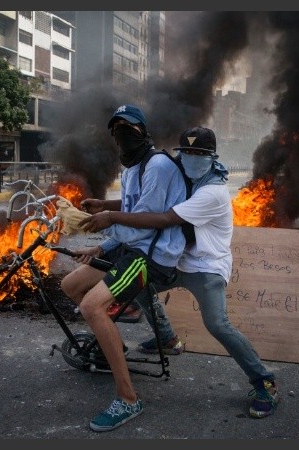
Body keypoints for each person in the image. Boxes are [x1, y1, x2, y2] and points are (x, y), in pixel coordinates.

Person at [79, 126, 280, 419]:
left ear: (212, 157)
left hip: (206, 267)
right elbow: (150, 203)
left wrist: (110, 217)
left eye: (200, 154)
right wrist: (108, 204)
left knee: (218, 324)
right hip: (178, 260)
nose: (193, 159)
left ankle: (264, 382)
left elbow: (162, 217)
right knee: (139, 290)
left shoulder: (212, 192)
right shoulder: (189, 180)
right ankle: (168, 338)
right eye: (187, 153)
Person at [60, 104, 188, 432]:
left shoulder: (157, 164)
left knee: (91, 307)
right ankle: (109, 344)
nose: (121, 135)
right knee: (71, 286)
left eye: (128, 128)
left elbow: (148, 221)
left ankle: (128, 398)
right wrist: (106, 208)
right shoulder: (132, 167)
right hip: (131, 247)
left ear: (143, 131)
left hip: (151, 256)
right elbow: (134, 206)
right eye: (115, 130)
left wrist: (109, 220)